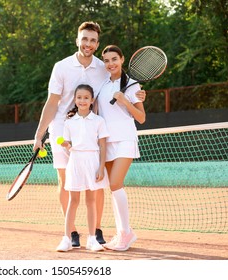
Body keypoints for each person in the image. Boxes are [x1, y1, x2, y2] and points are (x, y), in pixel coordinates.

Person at [33, 21, 146, 248]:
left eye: (93, 40)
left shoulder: (102, 68)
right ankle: (72, 232)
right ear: (77, 40)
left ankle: (96, 231)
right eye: (84, 39)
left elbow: (118, 83)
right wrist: (39, 134)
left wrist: (137, 94)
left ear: (97, 43)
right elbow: (52, 102)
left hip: (91, 134)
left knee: (98, 182)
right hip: (61, 132)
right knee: (66, 183)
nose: (88, 44)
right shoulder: (61, 67)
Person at [97, 45, 146, 251]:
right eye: (107, 60)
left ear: (122, 59)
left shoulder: (133, 85)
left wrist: (125, 100)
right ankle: (121, 233)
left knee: (116, 183)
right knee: (113, 188)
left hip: (125, 139)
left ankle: (126, 233)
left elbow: (141, 118)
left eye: (114, 59)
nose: (111, 64)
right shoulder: (101, 85)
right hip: (107, 142)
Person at [56, 84, 109, 252]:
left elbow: (102, 145)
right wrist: (66, 145)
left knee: (91, 201)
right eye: (79, 97)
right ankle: (66, 238)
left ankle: (92, 239)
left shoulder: (99, 121)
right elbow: (68, 146)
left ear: (92, 100)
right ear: (75, 100)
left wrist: (101, 168)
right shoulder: (69, 122)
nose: (82, 100)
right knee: (73, 200)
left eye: (86, 97)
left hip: (93, 161)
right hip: (75, 162)